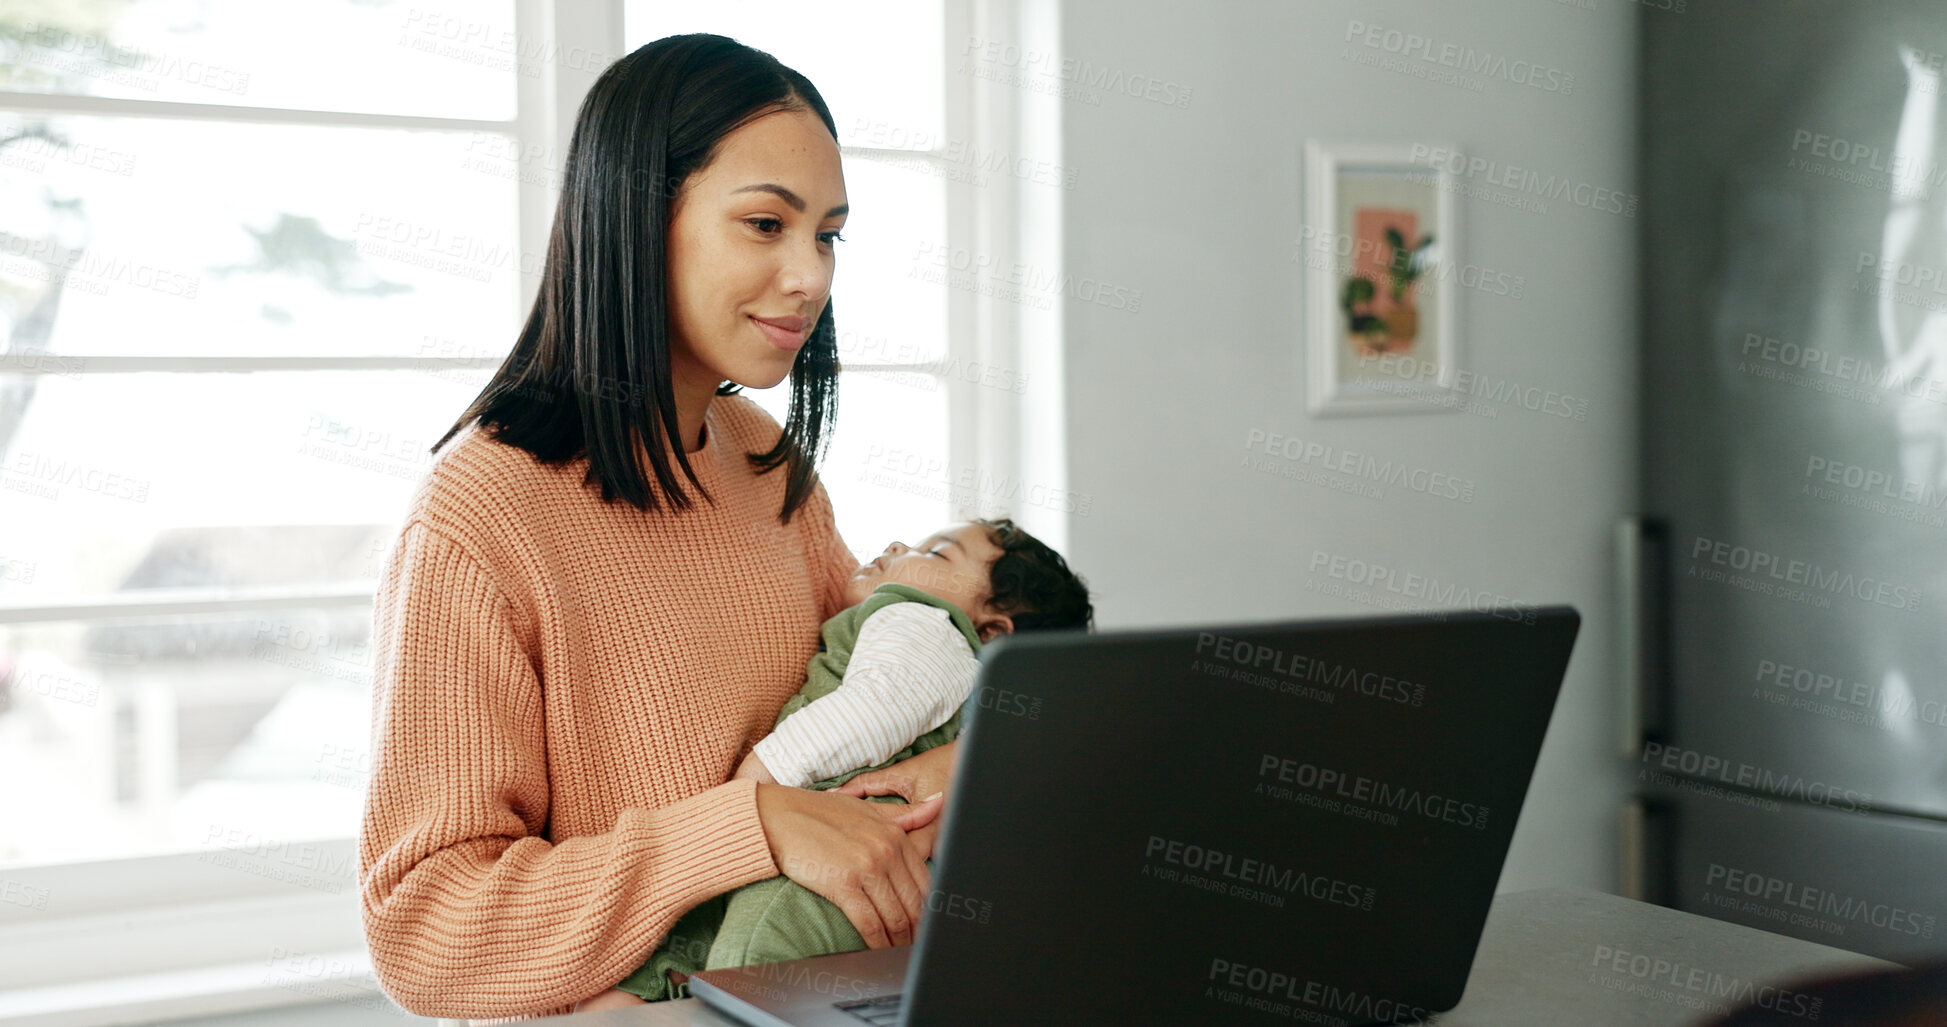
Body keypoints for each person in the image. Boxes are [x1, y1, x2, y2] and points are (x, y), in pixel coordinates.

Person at [358, 34, 967, 1022]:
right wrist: (753, 824)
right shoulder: (483, 515)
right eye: (766, 223)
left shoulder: (763, 460)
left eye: (828, 235)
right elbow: (431, 932)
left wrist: (952, 767)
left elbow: (877, 699)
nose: (810, 275)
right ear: (638, 219)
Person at [575, 518, 1094, 1011]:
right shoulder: (954, 660)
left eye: (934, 552)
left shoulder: (927, 623)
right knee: (678, 961)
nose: (896, 546)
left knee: (750, 971)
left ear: (990, 631)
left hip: (826, 860)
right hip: (825, 856)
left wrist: (754, 784)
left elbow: (877, 707)